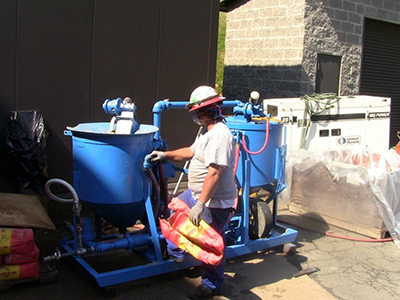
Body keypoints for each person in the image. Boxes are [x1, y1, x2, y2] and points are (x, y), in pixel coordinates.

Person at [149, 85, 237, 299]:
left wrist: (200, 205)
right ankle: (178, 252)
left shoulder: (219, 136)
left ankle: (212, 284)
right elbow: (190, 151)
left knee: (210, 243)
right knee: (171, 209)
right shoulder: (208, 133)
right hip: (197, 194)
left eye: (198, 112)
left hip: (212, 202)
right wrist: (164, 155)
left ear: (210, 111)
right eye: (195, 112)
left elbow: (215, 173)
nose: (196, 116)